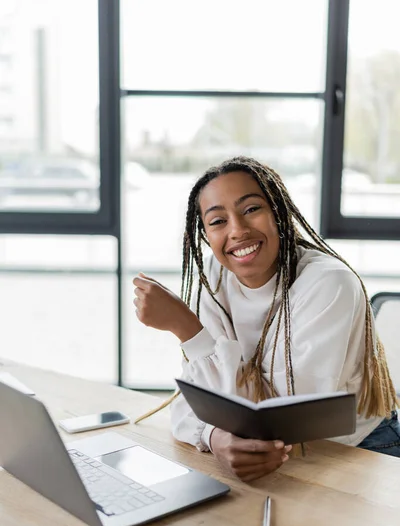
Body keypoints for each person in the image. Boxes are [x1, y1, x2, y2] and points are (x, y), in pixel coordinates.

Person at [133, 156, 399, 482]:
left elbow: (282, 418)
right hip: (280, 458)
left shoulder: (329, 283)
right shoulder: (215, 278)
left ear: (279, 212)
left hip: (357, 451)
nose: (238, 230)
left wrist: (187, 329)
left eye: (251, 210)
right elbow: (195, 403)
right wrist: (216, 437)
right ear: (205, 236)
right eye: (217, 221)